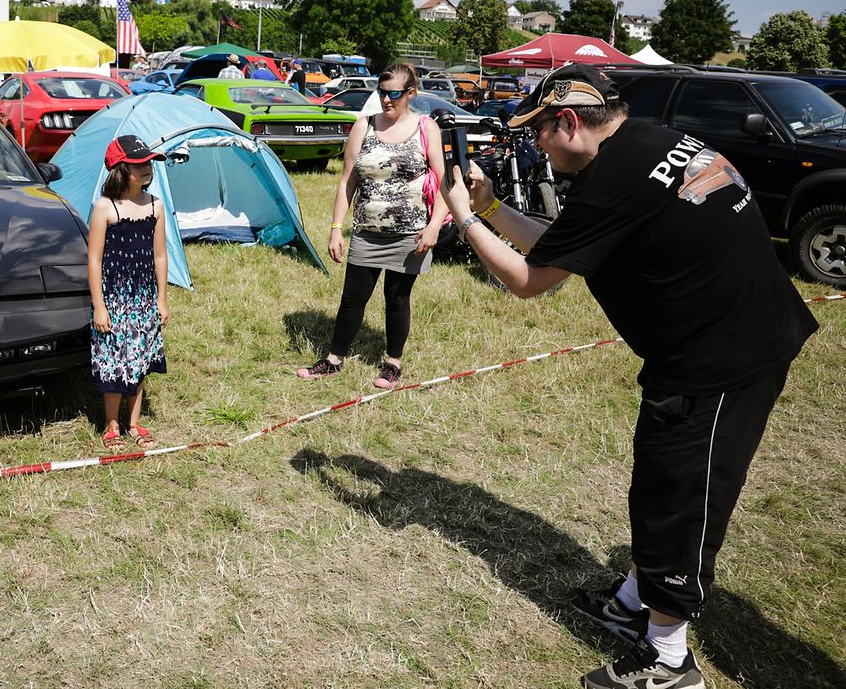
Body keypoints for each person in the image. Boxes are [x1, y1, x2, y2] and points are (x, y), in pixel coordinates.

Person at [440, 63, 819, 689]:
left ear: (568, 121)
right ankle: (631, 605)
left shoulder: (613, 175)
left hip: (722, 358)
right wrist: (496, 207)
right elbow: (567, 245)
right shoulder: (647, 142)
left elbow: (530, 282)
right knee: (658, 481)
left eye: (539, 132)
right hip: (723, 339)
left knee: (681, 494)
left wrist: (465, 218)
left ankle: (670, 660)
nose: (536, 145)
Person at [296, 62, 449, 388]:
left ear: (411, 93)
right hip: (366, 233)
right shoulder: (363, 126)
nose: (386, 100)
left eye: (394, 94)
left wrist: (434, 226)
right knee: (352, 299)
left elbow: (446, 182)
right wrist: (336, 228)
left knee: (397, 299)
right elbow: (346, 182)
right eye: (382, 92)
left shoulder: (426, 127)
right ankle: (334, 359)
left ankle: (393, 363)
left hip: (410, 236)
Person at [87, 134, 171, 454]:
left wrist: (161, 298)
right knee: (114, 362)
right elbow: (94, 259)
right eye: (139, 164)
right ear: (121, 170)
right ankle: (112, 424)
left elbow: (160, 255)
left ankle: (134, 422)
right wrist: (99, 306)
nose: (147, 168)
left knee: (138, 361)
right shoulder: (105, 208)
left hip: (143, 299)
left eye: (149, 162)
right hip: (113, 299)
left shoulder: (155, 206)